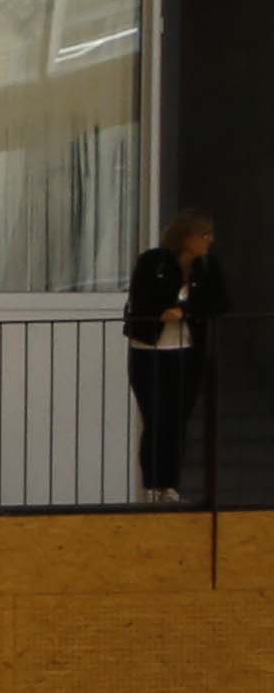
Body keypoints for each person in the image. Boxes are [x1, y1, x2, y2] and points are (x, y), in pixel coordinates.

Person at [127, 209, 223, 504]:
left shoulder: (206, 267)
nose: (209, 241)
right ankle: (152, 485)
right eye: (204, 235)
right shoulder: (153, 261)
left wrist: (185, 310)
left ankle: (170, 484)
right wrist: (163, 311)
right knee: (154, 419)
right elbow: (141, 297)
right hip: (149, 352)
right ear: (187, 237)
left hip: (185, 353)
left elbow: (219, 300)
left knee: (177, 421)